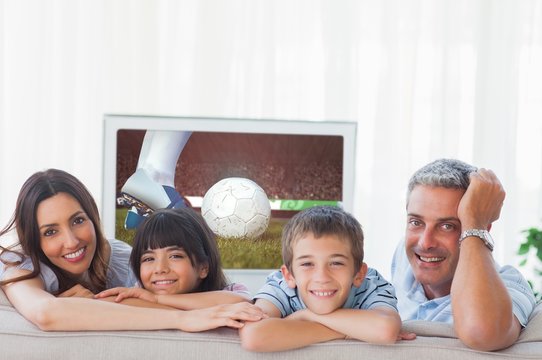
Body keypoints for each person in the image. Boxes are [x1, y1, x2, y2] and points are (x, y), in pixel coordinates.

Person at [0, 169, 266, 332]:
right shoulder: (16, 263)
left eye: (78, 221)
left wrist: (94, 302)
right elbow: (46, 314)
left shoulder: (120, 257)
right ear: (33, 237)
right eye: (50, 231)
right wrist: (182, 320)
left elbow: (148, 299)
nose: (71, 242)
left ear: (93, 217)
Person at [391, 158, 537, 351]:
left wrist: (475, 223)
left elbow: (481, 333)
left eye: (447, 226)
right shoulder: (405, 256)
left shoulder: (511, 286)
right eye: (416, 222)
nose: (425, 243)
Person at [239, 205, 404, 352]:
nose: (322, 277)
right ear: (289, 275)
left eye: (336, 263)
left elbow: (385, 330)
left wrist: (307, 316)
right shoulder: (280, 287)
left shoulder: (371, 284)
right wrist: (352, 331)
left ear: (359, 274)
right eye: (307, 264)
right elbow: (254, 335)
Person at [95, 208, 251, 309]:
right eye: (149, 259)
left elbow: (243, 303)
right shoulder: (138, 293)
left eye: (175, 256)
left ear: (203, 267)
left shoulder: (230, 293)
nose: (160, 269)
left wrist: (156, 300)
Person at [118, 130, 192, 229]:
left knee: (157, 119)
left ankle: (139, 209)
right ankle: (158, 176)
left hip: (143, 180)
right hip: (156, 182)